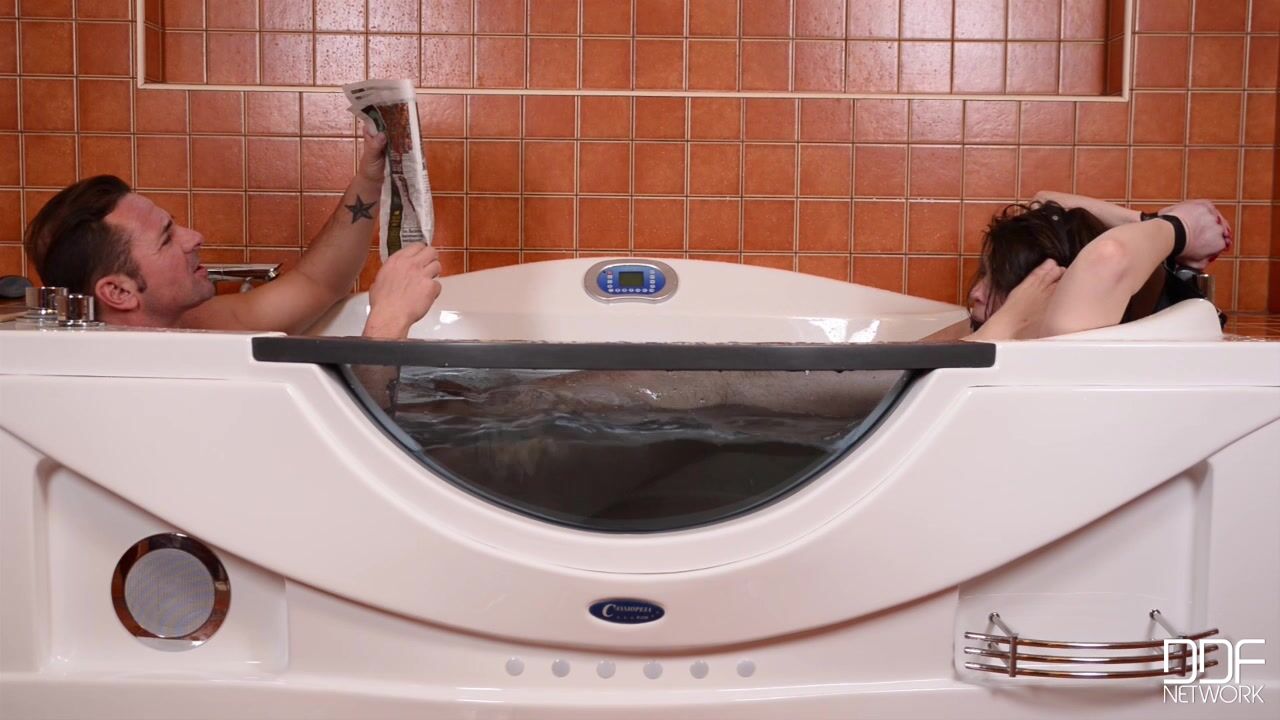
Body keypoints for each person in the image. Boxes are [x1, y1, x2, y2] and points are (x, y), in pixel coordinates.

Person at [23, 127, 440, 339]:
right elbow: (342, 449)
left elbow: (317, 284)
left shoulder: (187, 326)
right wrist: (388, 322)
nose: (194, 237)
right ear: (119, 292)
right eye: (167, 238)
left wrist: (370, 178)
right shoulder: (140, 379)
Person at [964, 192, 1232, 341]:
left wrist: (1181, 229)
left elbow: (1109, 255)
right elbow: (1042, 198)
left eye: (997, 279)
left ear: (1054, 284)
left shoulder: (1061, 333)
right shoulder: (1006, 333)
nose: (976, 293)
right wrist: (1161, 223)